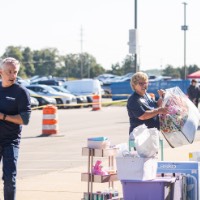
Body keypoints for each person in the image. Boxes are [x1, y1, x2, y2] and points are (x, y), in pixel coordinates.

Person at [0, 57, 31, 200]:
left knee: (9, 178)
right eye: (9, 72)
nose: (13, 75)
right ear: (1, 72)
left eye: (15, 72)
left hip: (10, 141)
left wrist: (3, 116)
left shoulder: (21, 92)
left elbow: (25, 120)